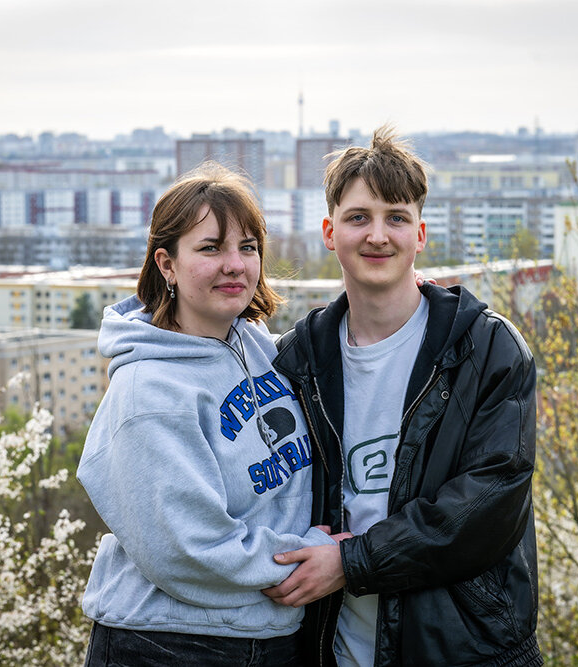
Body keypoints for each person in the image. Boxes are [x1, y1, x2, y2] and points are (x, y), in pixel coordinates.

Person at [263, 127, 542, 666]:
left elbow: (488, 508)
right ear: (328, 231)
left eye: (396, 217)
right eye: (358, 217)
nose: (377, 236)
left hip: (462, 650)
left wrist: (353, 563)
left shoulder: (485, 348)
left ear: (421, 234)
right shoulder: (300, 360)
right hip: (335, 647)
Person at [76, 163, 337, 666]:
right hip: (171, 645)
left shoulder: (256, 347)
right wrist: (299, 558)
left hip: (264, 633)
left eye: (248, 247)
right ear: (167, 264)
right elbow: (189, 549)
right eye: (211, 248)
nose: (235, 264)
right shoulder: (148, 392)